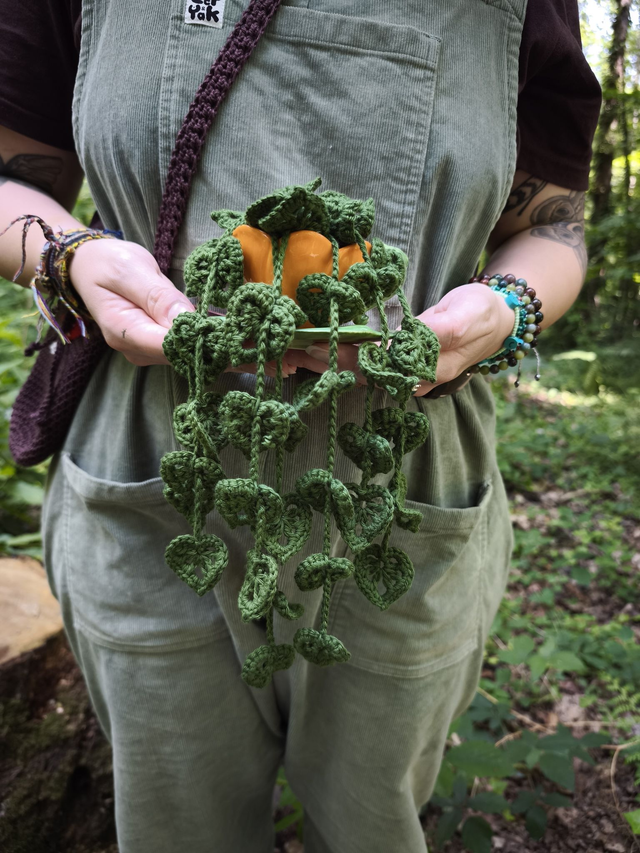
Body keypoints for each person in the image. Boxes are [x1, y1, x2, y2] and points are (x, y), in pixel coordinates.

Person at [0, 1, 601, 850]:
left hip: (403, 486)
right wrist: (71, 254)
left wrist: (503, 310)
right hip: (153, 473)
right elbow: (14, 182)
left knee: (372, 825)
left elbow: (552, 227)